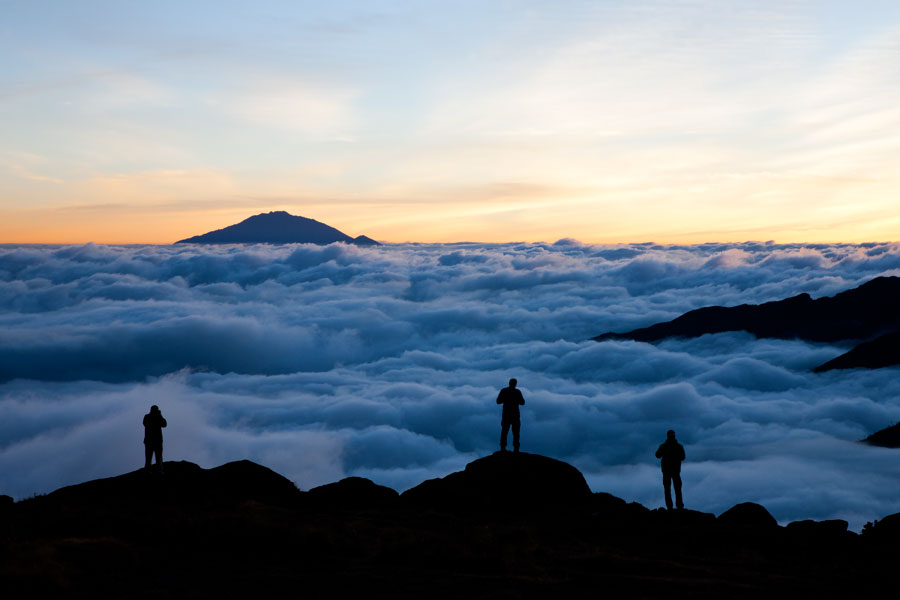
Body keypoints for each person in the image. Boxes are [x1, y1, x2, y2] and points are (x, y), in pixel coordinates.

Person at [655, 429, 685, 510]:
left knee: (667, 490)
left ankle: (670, 507)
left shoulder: (663, 446)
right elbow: (683, 457)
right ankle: (679, 506)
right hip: (675, 470)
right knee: (677, 489)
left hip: (666, 471)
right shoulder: (679, 446)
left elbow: (657, 455)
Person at [496, 378, 525, 452]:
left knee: (504, 431)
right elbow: (522, 403)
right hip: (515, 415)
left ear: (509, 383)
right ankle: (516, 448)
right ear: (516, 384)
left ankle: (503, 448)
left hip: (506, 414)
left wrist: (506, 400)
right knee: (516, 432)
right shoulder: (517, 392)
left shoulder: (504, 390)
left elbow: (498, 401)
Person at [143, 405, 167, 473]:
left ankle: (156, 472)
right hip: (154, 441)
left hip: (151, 441)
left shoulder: (148, 416)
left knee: (154, 459)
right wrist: (159, 416)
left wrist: (159, 416)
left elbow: (164, 424)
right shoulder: (148, 417)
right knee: (153, 459)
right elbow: (164, 424)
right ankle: (156, 472)